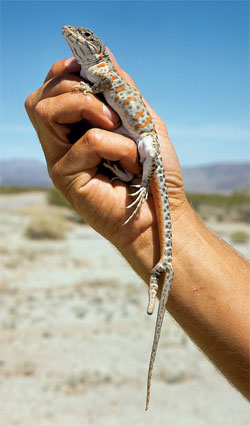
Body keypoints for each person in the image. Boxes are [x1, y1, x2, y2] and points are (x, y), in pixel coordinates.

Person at [25, 52, 250, 401]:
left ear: (96, 48)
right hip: (136, 157)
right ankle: (138, 186)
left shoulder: (101, 70)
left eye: (83, 37)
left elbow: (104, 84)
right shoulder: (94, 72)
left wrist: (150, 190)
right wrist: (144, 233)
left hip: (145, 146)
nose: (74, 39)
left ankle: (142, 184)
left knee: (145, 149)